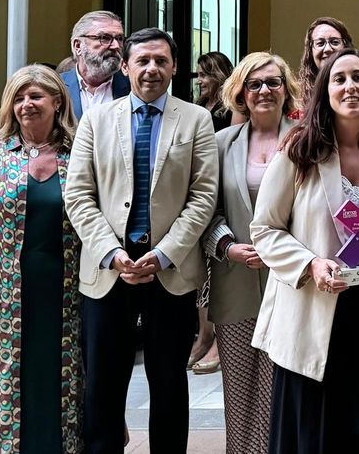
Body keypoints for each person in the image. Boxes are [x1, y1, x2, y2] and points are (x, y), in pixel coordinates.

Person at [250, 50, 359, 452]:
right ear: (325, 91)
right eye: (339, 79)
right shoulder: (299, 151)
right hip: (317, 315)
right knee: (319, 438)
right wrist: (311, 263)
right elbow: (264, 229)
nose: (351, 87)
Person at [64, 27, 221, 454]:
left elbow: (204, 195)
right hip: (108, 270)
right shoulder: (97, 120)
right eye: (143, 61)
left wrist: (165, 253)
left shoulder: (196, 119)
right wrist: (112, 253)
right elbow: (78, 194)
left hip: (168, 270)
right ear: (127, 66)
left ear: (173, 67)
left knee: (169, 383)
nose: (152, 69)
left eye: (161, 61)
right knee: (103, 385)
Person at [0, 65, 84, 453]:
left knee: (61, 378)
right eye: (18, 97)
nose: (26, 105)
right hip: (4, 293)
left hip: (67, 291)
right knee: (6, 382)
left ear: (57, 102)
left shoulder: (80, 153)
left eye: (35, 96)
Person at [203, 52, 299, 454]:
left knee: (279, 397)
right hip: (236, 283)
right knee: (238, 395)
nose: (264, 91)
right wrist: (228, 246)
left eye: (273, 83)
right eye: (254, 84)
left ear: (286, 89)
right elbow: (205, 210)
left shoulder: (307, 139)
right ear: (240, 91)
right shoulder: (220, 143)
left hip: (292, 287)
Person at [189, 50, 237, 374]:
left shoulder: (229, 110)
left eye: (205, 74)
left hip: (223, 194)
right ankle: (203, 334)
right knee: (200, 269)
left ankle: (218, 339)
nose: (201, 80)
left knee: (217, 268)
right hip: (199, 192)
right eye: (199, 75)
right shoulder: (196, 109)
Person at [61, 10, 130, 120]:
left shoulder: (132, 87)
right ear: (78, 46)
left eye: (120, 38)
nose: (116, 46)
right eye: (105, 38)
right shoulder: (56, 86)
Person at [296, 17, 354, 111]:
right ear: (310, 50)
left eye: (334, 42)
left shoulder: (357, 86)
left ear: (345, 46)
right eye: (320, 43)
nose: (327, 49)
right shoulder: (297, 96)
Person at [197, 51, 237, 131]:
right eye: (198, 75)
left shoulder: (233, 107)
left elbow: (235, 140)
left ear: (218, 76)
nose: (198, 81)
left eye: (203, 75)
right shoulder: (200, 104)